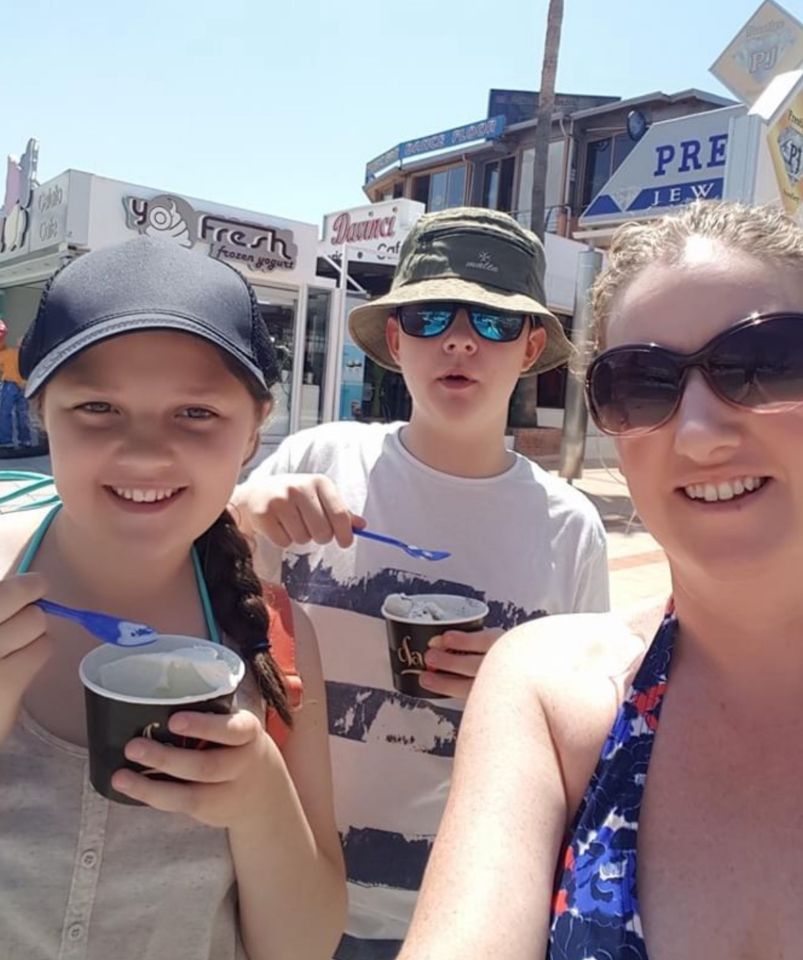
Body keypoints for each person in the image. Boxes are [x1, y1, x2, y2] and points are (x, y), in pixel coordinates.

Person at [396, 199, 803, 960]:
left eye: (766, 364)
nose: (700, 431)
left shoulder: (561, 520)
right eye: (643, 384)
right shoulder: (548, 693)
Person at [232, 207, 610, 959]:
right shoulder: (317, 461)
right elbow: (207, 618)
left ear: (531, 346)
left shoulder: (568, 526)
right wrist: (235, 520)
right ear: (396, 341)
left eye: (494, 322)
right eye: (431, 315)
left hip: (463, 902)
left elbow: (593, 740)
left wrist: (518, 694)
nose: (461, 339)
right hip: (282, 884)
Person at [0, 236, 346, 960]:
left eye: (195, 414)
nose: (145, 453)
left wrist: (259, 802)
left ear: (255, 429)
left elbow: (303, 946)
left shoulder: (276, 638)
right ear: (39, 413)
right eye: (97, 406)